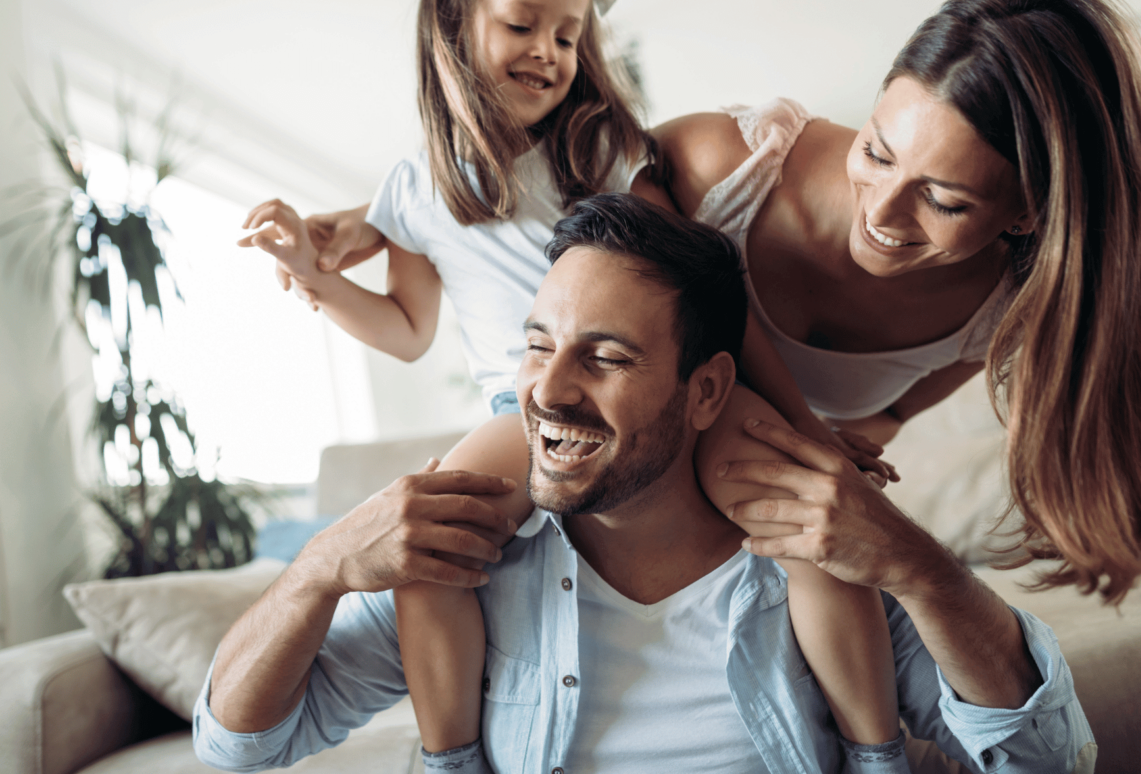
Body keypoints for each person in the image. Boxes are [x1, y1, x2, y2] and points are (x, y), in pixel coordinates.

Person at [196, 193, 1095, 774]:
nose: (544, 391)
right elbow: (236, 746)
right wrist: (319, 566)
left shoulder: (813, 552)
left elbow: (1050, 761)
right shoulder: (468, 552)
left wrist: (921, 568)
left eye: (607, 356)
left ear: (706, 389)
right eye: (538, 343)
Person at [239, 0, 902, 763]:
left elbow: (702, 300)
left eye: (566, 35)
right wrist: (308, 274)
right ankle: (450, 756)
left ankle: (875, 750)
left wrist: (804, 430)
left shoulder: (601, 152)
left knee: (805, 529)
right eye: (523, 24)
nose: (547, 53)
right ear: (453, 22)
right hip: (519, 409)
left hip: (653, 378)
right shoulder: (414, 190)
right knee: (434, 548)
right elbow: (406, 330)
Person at [653, 0, 1141, 605]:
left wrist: (840, 463)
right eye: (877, 152)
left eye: (943, 201)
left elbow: (889, 415)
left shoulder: (1004, 309)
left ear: (1028, 215)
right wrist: (804, 428)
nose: (880, 212)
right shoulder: (717, 169)